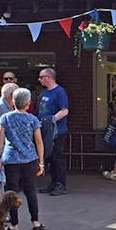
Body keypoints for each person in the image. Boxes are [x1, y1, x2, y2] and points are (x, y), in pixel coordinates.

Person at [0, 88, 46, 230]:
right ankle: (35, 222)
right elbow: (39, 141)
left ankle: (14, 224)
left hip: (11, 159)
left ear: (13, 102)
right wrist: (41, 162)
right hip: (30, 158)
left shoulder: (5, 118)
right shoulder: (33, 119)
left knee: (11, 193)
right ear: (28, 104)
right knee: (30, 191)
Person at [37, 67, 69, 196]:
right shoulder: (45, 92)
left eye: (41, 77)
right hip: (46, 130)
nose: (39, 80)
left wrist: (51, 120)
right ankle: (53, 183)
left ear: (49, 77)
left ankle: (61, 184)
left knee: (57, 157)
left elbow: (65, 110)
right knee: (50, 157)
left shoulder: (60, 92)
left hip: (57, 131)